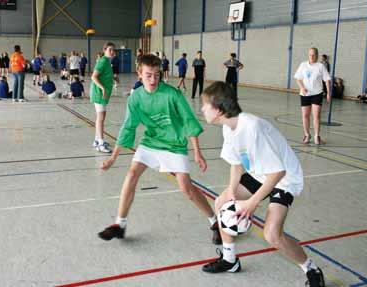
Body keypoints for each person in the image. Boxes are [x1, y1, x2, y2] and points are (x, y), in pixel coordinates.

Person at [200, 82, 326, 287]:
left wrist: (251, 203)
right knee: (222, 202)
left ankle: (311, 269)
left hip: (284, 178)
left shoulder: (251, 127)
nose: (203, 108)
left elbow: (278, 172)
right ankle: (230, 260)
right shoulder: (228, 128)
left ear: (220, 109)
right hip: (259, 172)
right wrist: (232, 191)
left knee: (272, 235)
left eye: (206, 105)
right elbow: (236, 163)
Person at [97, 54, 222, 245]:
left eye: (157, 75)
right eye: (148, 75)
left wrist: (197, 151)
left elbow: (188, 120)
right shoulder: (136, 98)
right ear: (139, 74)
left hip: (175, 143)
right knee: (131, 174)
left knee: (186, 189)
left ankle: (215, 222)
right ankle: (119, 225)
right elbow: (128, 127)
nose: (153, 79)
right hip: (152, 141)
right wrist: (113, 157)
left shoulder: (172, 94)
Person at [294, 47, 331, 145]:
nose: (312, 56)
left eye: (314, 54)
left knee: (316, 116)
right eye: (310, 54)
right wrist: (302, 87)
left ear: (317, 55)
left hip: (317, 94)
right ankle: (307, 134)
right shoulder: (303, 65)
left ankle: (317, 136)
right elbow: (298, 78)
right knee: (305, 115)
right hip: (305, 94)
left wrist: (328, 93)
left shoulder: (321, 66)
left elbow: (327, 80)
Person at [90, 42, 115, 153]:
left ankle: (96, 140)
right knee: (100, 118)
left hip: (102, 94)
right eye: (110, 50)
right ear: (104, 50)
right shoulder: (103, 61)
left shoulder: (107, 62)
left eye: (113, 50)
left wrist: (114, 79)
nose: (112, 52)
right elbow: (94, 77)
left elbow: (104, 75)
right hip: (99, 93)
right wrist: (103, 88)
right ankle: (100, 143)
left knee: (101, 117)